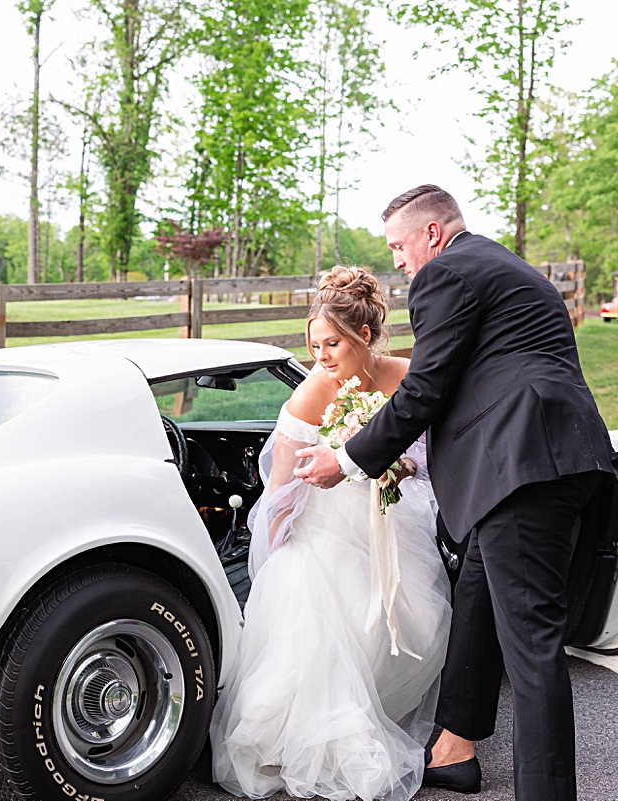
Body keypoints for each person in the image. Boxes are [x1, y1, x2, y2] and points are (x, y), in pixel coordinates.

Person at [294, 185, 618, 801]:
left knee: (531, 644)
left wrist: (348, 458)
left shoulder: (444, 275)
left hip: (522, 470)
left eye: (399, 245)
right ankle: (454, 748)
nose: (399, 260)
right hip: (560, 458)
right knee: (477, 588)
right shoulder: (507, 267)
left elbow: (424, 392)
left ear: (432, 235)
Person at [210, 266, 452, 801]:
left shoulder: (407, 377)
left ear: (365, 336)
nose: (320, 356)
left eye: (331, 344)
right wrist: (277, 555)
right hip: (326, 529)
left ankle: (376, 710)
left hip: (392, 519)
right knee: (326, 622)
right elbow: (279, 489)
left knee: (421, 617)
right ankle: (320, 739)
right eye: (313, 345)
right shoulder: (311, 395)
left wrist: (400, 466)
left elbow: (438, 456)